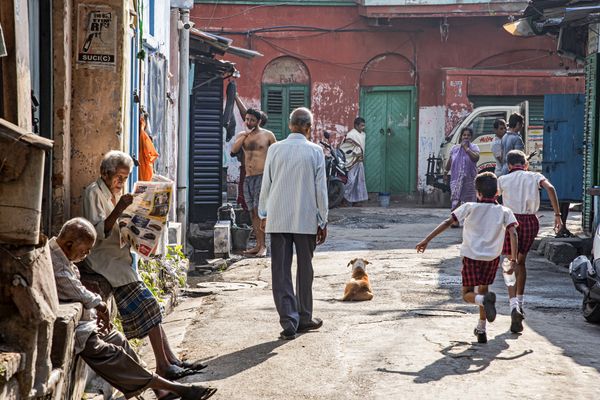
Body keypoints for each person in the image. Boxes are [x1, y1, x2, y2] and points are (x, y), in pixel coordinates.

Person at [50, 218, 217, 400]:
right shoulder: (56, 261)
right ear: (68, 244)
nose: (86, 255)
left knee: (118, 340)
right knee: (112, 354)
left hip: (87, 321)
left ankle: (159, 390)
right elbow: (78, 292)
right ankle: (177, 389)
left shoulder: (63, 254)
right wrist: (101, 304)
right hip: (80, 328)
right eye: (84, 251)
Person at [83, 151, 205, 380]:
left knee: (152, 307)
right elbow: (96, 233)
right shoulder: (93, 193)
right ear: (105, 173)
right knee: (149, 305)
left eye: (125, 178)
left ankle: (171, 360)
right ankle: (163, 365)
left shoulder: (115, 192)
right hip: (103, 261)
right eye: (118, 177)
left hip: (121, 261)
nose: (121, 183)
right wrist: (120, 209)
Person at [416, 172, 518, 343]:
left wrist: (427, 239)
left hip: (471, 256)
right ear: (497, 193)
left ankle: (484, 301)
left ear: (477, 192)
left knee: (468, 294)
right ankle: (481, 329)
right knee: (483, 289)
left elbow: (448, 222)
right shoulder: (504, 211)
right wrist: (513, 259)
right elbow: (513, 232)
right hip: (492, 258)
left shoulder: (469, 207)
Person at [258, 107, 329, 340]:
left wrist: (263, 213)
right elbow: (321, 190)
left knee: (280, 270)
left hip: (278, 218)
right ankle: (305, 317)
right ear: (309, 127)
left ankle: (289, 320)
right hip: (306, 219)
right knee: (305, 269)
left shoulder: (275, 150)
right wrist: (323, 219)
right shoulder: (315, 152)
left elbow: (266, 184)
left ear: (290, 125)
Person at [498, 150, 563, 333]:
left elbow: (491, 196)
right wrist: (557, 215)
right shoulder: (535, 176)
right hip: (530, 221)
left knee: (509, 264)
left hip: (511, 220)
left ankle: (513, 307)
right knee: (521, 262)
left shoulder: (503, 179)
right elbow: (550, 188)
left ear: (509, 165)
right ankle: (520, 302)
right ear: (525, 164)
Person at [231, 108, 277, 257]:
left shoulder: (268, 135)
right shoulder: (243, 135)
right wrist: (244, 136)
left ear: (259, 121)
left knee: (260, 211)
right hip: (248, 178)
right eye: (247, 119)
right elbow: (233, 151)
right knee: (252, 212)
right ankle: (258, 244)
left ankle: (264, 246)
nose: (248, 122)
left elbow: (277, 155)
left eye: (252, 120)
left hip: (262, 177)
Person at [444, 127, 480, 226]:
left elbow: (476, 158)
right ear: (461, 137)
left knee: (470, 199)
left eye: (468, 135)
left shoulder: (474, 148)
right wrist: (446, 172)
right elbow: (450, 161)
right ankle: (455, 221)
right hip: (456, 178)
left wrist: (466, 149)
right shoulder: (454, 149)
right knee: (456, 199)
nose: (466, 137)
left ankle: (470, 221)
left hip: (470, 178)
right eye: (464, 135)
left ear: (471, 137)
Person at [340, 117, 368, 206]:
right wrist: (356, 153)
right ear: (356, 125)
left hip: (359, 161)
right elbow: (346, 147)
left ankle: (355, 200)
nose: (363, 127)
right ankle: (344, 198)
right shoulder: (351, 135)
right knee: (351, 180)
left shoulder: (363, 134)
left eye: (364, 125)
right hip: (351, 161)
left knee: (359, 181)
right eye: (361, 125)